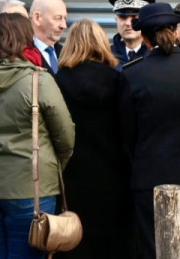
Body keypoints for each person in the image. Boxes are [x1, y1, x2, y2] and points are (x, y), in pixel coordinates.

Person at [0, 13, 75, 259]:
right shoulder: (38, 80)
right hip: (30, 186)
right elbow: (65, 137)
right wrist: (51, 168)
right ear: (24, 40)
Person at [119, 2, 180, 259]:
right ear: (175, 31)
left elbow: (128, 134)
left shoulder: (132, 73)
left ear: (144, 36)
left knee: (154, 251)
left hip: (150, 178)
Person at [55, 19, 134, 259]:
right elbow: (128, 129)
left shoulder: (58, 82)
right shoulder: (118, 80)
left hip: (72, 179)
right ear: (101, 43)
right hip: (114, 177)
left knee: (76, 243)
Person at [109, 0, 155, 68]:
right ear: (116, 20)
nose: (128, 23)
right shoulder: (106, 56)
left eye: (134, 17)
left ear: (145, 20)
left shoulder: (155, 55)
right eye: (122, 17)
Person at [30, 0, 68, 75]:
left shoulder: (68, 54)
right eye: (58, 18)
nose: (64, 25)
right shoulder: (20, 56)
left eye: (65, 18)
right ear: (37, 18)